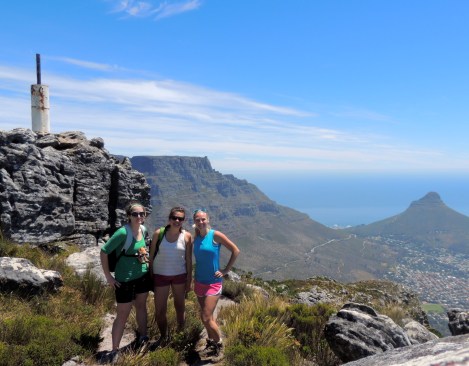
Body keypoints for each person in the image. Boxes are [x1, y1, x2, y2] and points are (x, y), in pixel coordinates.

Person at [100, 201, 152, 363]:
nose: (139, 217)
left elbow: (142, 250)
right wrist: (108, 276)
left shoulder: (143, 230)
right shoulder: (123, 233)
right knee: (123, 314)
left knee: (141, 307)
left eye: (142, 214)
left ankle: (142, 337)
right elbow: (104, 251)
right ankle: (114, 350)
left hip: (142, 276)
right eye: (135, 214)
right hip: (124, 280)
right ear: (128, 216)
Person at [192, 208, 240, 358]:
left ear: (208, 220)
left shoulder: (215, 235)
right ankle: (212, 343)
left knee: (205, 317)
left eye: (203, 219)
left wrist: (225, 270)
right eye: (198, 219)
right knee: (209, 318)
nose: (201, 222)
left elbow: (235, 250)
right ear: (194, 222)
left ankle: (219, 344)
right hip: (199, 281)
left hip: (213, 283)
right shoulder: (196, 238)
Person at [149, 206, 193, 344]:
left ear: (184, 220)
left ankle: (180, 334)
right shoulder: (159, 233)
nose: (177, 221)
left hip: (179, 275)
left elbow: (188, 259)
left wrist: (189, 280)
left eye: (181, 218)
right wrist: (150, 276)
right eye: (175, 218)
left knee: (180, 307)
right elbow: (151, 257)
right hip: (160, 275)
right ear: (169, 219)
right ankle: (164, 336)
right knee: (160, 311)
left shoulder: (186, 236)